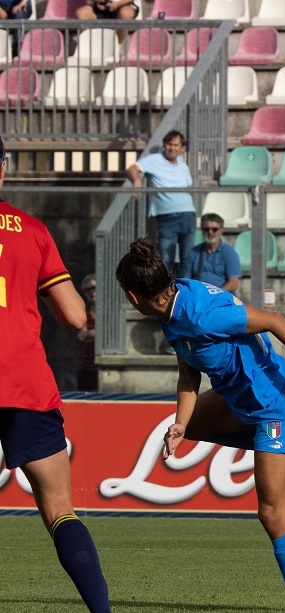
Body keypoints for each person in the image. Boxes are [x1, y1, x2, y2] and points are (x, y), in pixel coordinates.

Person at [116, 238, 285, 613]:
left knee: (273, 514)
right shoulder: (173, 306)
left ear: (133, 297)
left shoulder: (199, 314)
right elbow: (188, 372)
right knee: (193, 424)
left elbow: (276, 320)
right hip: (241, 401)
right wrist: (181, 424)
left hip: (277, 407)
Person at [0, 145, 112, 613]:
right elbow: (72, 313)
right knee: (59, 509)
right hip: (26, 381)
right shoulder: (33, 229)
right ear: (3, 168)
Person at [126, 130, 197, 274]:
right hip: (167, 217)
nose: (172, 148)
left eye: (176, 145)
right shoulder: (154, 159)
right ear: (164, 145)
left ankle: (186, 293)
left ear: (182, 148)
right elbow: (132, 168)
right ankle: (163, 293)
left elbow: (189, 186)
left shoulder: (183, 165)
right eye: (169, 144)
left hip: (188, 214)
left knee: (187, 259)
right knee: (165, 259)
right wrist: (137, 180)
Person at [179, 213, 241, 293]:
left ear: (222, 230)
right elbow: (185, 279)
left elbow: (233, 283)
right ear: (201, 230)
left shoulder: (229, 253)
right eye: (206, 229)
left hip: (221, 298)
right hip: (198, 297)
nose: (210, 232)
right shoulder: (193, 252)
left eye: (214, 229)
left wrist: (214, 294)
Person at [77, 274, 98, 392]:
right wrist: (95, 333)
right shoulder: (86, 313)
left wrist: (89, 334)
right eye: (87, 290)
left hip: (101, 365)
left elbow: (108, 333)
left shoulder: (106, 312)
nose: (91, 292)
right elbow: (81, 336)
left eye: (93, 288)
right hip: (87, 365)